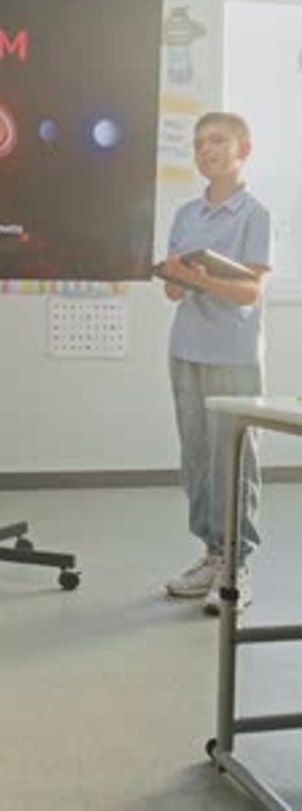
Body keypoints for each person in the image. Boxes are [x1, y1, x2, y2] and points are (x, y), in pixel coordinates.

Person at [161, 111, 273, 615]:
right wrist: (177, 276)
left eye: (218, 141)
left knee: (233, 462)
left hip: (233, 355)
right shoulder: (185, 215)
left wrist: (203, 280)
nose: (207, 150)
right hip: (186, 350)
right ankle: (210, 554)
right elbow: (170, 290)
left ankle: (237, 564)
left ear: (242, 149)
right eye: (200, 142)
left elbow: (250, 289)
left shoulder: (255, 214)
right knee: (197, 460)